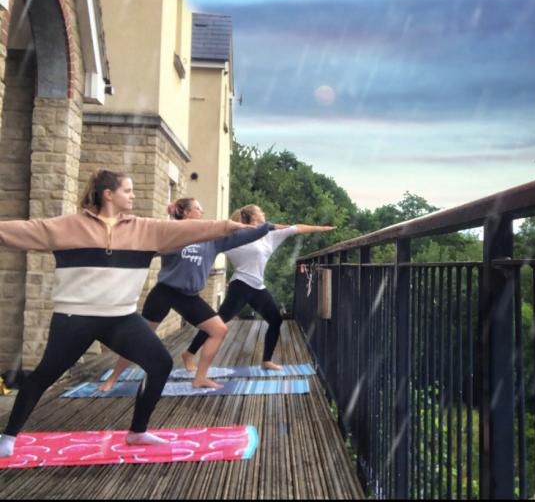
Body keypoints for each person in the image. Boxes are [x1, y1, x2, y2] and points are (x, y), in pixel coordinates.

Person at [0, 170, 254, 458]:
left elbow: (193, 229)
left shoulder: (143, 229)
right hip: (75, 317)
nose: (133, 195)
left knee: (159, 364)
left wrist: (231, 226)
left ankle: (137, 432)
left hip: (121, 318)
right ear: (108, 195)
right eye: (127, 190)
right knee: (45, 375)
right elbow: (16, 231)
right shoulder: (67, 227)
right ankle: (8, 437)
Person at [99, 197, 282, 391]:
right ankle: (113, 378)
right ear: (186, 213)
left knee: (219, 330)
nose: (202, 212)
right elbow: (145, 248)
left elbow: (242, 235)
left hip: (189, 297)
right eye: (197, 208)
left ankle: (200, 377)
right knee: (140, 337)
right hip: (164, 292)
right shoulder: (172, 234)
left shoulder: (212, 240)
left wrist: (266, 227)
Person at [185, 204, 335, 371]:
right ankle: (189, 354)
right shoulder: (235, 235)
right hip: (240, 285)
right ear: (253, 217)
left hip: (257, 287)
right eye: (260, 211)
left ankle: (266, 360)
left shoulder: (269, 235)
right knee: (217, 322)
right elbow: (209, 238)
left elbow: (296, 228)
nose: (264, 213)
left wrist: (320, 228)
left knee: (275, 320)